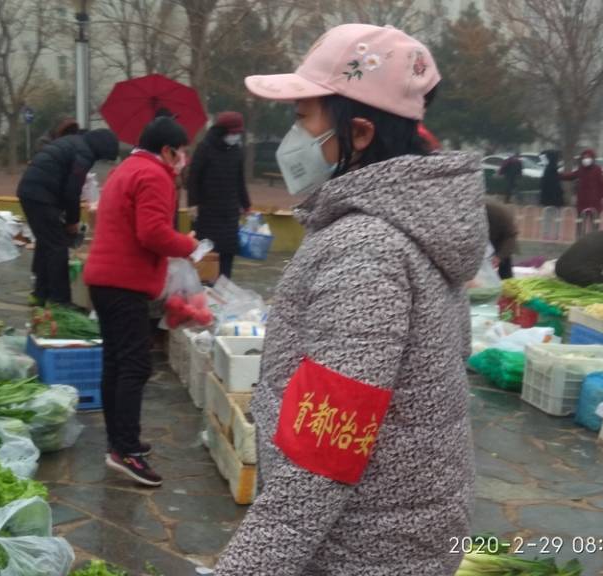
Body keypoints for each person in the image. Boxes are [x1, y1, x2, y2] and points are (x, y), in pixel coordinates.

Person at [215, 24, 487, 576]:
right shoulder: (414, 227)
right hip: (408, 531)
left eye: (303, 118)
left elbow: (324, 450)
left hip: (359, 549)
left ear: (358, 133)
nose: (293, 137)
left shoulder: (365, 248)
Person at [83, 117, 198, 487]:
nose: (183, 160)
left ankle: (118, 442)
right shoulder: (153, 175)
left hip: (104, 278)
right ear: (168, 150)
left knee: (116, 363)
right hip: (124, 282)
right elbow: (152, 233)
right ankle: (125, 450)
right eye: (182, 153)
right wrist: (190, 245)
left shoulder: (127, 168)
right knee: (134, 366)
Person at [17, 129, 119, 307]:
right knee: (57, 247)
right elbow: (72, 190)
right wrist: (73, 220)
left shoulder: (74, 142)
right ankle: (60, 301)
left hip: (31, 191)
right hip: (40, 195)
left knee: (46, 243)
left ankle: (40, 294)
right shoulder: (84, 153)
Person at [187, 111, 251, 278]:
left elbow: (239, 181)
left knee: (227, 254)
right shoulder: (205, 148)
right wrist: (193, 204)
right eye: (233, 132)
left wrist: (246, 204)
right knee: (205, 254)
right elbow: (193, 178)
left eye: (238, 133)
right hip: (207, 213)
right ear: (222, 130)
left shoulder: (237, 151)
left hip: (229, 214)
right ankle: (202, 288)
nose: (235, 136)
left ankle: (224, 288)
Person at [561, 149, 603, 236]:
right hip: (582, 201)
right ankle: (579, 238)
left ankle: (594, 239)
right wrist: (558, 175)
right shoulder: (581, 170)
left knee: (595, 222)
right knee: (580, 221)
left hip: (595, 201)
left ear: (592, 159)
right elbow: (571, 176)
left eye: (588, 157)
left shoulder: (597, 170)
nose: (586, 159)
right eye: (584, 157)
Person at [485, 200, 517, 279]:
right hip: (482, 239)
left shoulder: (500, 213)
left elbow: (511, 236)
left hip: (502, 239)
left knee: (505, 268)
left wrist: (499, 257)